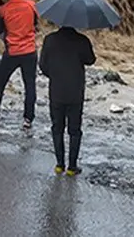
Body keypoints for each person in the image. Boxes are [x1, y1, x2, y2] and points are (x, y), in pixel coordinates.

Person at [38, 22, 96, 176]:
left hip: (56, 91)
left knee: (57, 127)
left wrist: (54, 75)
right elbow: (91, 60)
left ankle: (59, 164)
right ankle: (72, 166)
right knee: (75, 130)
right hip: (75, 92)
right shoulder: (82, 40)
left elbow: (42, 65)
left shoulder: (49, 39)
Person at [0, 0, 39, 129]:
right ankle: (28, 119)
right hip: (30, 51)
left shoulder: (3, 10)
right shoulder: (32, 5)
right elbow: (35, 24)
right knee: (30, 86)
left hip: (12, 51)